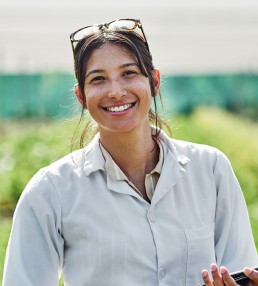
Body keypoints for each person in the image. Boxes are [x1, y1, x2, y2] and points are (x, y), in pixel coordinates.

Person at [2, 18, 258, 286]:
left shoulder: (210, 169)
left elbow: (241, 269)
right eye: (98, 79)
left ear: (154, 82)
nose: (116, 91)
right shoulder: (51, 191)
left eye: (129, 73)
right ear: (81, 97)